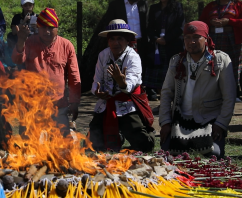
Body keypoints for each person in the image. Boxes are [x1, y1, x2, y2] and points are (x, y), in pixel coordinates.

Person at [159, 21, 236, 158]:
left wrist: (221, 124)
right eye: (187, 37)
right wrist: (165, 122)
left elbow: (229, 96)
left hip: (209, 120)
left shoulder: (220, 60)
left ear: (206, 39)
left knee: (213, 153)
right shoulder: (177, 61)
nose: (191, 42)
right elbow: (166, 93)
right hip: (181, 120)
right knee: (168, 153)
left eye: (196, 37)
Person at [88, 19, 155, 152]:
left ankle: (140, 132)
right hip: (106, 104)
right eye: (112, 39)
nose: (115, 43)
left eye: (120, 38)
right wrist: (97, 92)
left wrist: (121, 82)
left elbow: (131, 84)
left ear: (127, 40)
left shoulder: (133, 57)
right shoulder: (103, 55)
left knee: (145, 145)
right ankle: (118, 135)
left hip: (127, 104)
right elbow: (96, 80)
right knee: (92, 145)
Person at [12, 8, 81, 135]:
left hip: (58, 106)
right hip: (32, 106)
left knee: (60, 147)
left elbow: (74, 76)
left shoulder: (67, 45)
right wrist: (21, 41)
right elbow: (17, 59)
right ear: (38, 28)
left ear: (57, 28)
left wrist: (74, 102)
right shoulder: (30, 42)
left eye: (51, 27)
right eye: (43, 27)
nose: (47, 31)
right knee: (29, 146)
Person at [145, 0, 185, 112]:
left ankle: (175, 104)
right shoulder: (154, 8)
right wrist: (156, 39)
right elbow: (149, 27)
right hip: (157, 47)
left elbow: (180, 27)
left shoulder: (177, 6)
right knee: (159, 79)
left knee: (174, 75)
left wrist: (166, 39)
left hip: (173, 46)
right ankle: (163, 104)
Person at [199, 0, 242, 102]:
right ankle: (214, 93)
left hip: (232, 39)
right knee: (213, 64)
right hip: (213, 38)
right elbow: (201, 22)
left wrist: (229, 21)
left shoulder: (238, 5)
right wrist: (211, 22)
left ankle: (233, 93)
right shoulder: (211, 5)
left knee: (232, 65)